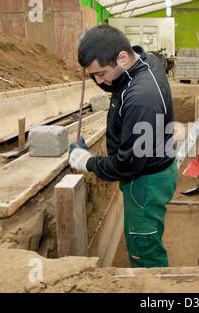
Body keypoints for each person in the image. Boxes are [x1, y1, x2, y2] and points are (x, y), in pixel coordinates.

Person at [70, 25, 178, 268]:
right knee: (147, 235)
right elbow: (116, 82)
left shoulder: (141, 99)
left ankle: (153, 292)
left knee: (144, 251)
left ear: (122, 58)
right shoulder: (145, 60)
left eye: (101, 74)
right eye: (93, 76)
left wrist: (86, 161)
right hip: (158, 166)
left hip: (144, 182)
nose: (99, 81)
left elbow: (127, 164)